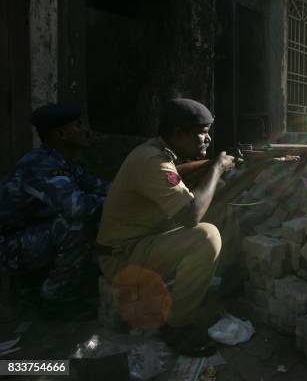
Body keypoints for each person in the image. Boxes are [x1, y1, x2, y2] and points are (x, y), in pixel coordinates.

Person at [97, 98, 235, 355]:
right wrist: (216, 168)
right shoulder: (153, 161)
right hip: (122, 256)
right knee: (207, 236)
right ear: (178, 134)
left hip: (144, 241)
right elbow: (190, 215)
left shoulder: (161, 153)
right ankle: (177, 326)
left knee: (222, 204)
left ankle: (220, 283)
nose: (207, 140)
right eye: (202, 133)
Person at [0, 103, 110, 318]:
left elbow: (104, 187)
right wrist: (116, 203)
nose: (85, 131)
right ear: (61, 133)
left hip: (28, 238)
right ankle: (56, 300)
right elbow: (76, 207)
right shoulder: (39, 164)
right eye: (77, 126)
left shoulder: (66, 164)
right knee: (75, 225)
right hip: (7, 245)